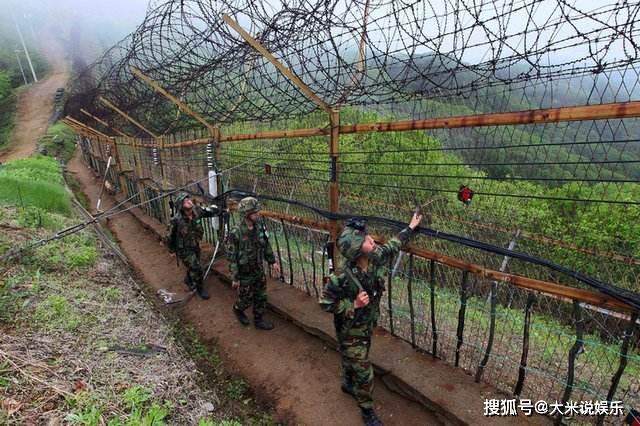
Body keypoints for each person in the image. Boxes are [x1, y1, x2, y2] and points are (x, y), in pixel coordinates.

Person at [320, 212, 423, 426]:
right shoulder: (341, 276)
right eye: (367, 240)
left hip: (366, 325)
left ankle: (348, 382)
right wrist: (353, 305)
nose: (372, 240)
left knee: (355, 359)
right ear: (358, 250)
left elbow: (393, 245)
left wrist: (411, 227)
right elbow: (325, 303)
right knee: (365, 372)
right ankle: (367, 411)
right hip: (349, 330)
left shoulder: (375, 258)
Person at [226, 197, 281, 330]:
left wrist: (272, 262)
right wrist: (235, 277)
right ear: (246, 214)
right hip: (244, 273)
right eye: (255, 212)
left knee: (261, 295)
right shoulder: (236, 232)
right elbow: (232, 257)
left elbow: (265, 245)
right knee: (246, 299)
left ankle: (259, 319)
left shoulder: (259, 227)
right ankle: (238, 309)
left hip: (258, 269)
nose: (258, 214)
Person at [166, 192, 221, 299]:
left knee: (193, 265)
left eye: (189, 199)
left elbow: (209, 212)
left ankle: (188, 279)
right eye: (185, 201)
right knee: (197, 268)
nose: (189, 201)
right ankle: (200, 288)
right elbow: (169, 236)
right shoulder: (176, 220)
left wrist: (219, 210)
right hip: (184, 249)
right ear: (181, 206)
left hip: (195, 245)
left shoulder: (196, 211)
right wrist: (171, 250)